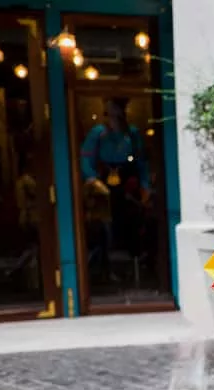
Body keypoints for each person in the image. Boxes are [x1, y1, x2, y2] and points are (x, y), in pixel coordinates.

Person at [80, 97, 150, 285]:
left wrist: (145, 185)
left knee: (131, 224)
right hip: (103, 183)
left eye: (117, 109)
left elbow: (142, 161)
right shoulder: (98, 133)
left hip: (127, 181)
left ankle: (134, 268)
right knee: (104, 228)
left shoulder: (132, 133)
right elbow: (86, 157)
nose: (113, 113)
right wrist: (92, 179)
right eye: (110, 109)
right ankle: (104, 269)